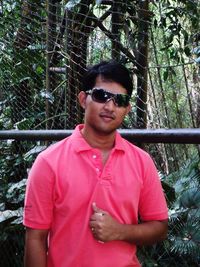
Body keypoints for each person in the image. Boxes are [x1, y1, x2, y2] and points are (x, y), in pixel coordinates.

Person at [23, 60, 168, 267]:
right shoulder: (48, 162)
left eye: (120, 100)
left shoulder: (142, 161)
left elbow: (160, 227)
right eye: (101, 96)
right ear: (83, 99)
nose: (110, 106)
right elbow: (35, 239)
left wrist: (120, 231)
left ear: (127, 109)